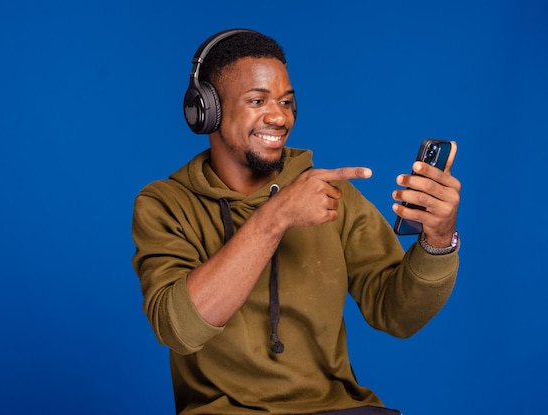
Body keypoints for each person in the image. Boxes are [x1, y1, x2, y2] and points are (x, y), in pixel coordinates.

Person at [132, 28, 461, 415]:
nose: (279, 116)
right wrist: (275, 218)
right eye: (258, 100)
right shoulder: (166, 204)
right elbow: (178, 328)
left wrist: (437, 241)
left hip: (337, 409)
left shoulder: (331, 196)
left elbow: (397, 314)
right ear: (208, 110)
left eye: (287, 102)